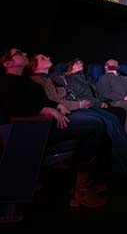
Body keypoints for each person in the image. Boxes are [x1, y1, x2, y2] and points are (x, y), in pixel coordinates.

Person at [0, 47, 108, 208]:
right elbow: (11, 107)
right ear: (9, 63)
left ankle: (84, 182)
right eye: (20, 53)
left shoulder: (25, 80)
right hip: (32, 130)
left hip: (44, 124)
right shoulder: (6, 82)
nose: (26, 54)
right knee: (94, 125)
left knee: (94, 122)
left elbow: (41, 99)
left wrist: (56, 105)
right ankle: (81, 190)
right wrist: (44, 109)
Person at [49, 56, 127, 177]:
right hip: (105, 103)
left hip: (103, 103)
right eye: (77, 63)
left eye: (82, 63)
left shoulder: (121, 78)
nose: (81, 65)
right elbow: (100, 94)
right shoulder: (100, 78)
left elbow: (98, 94)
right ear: (105, 67)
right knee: (121, 113)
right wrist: (121, 99)